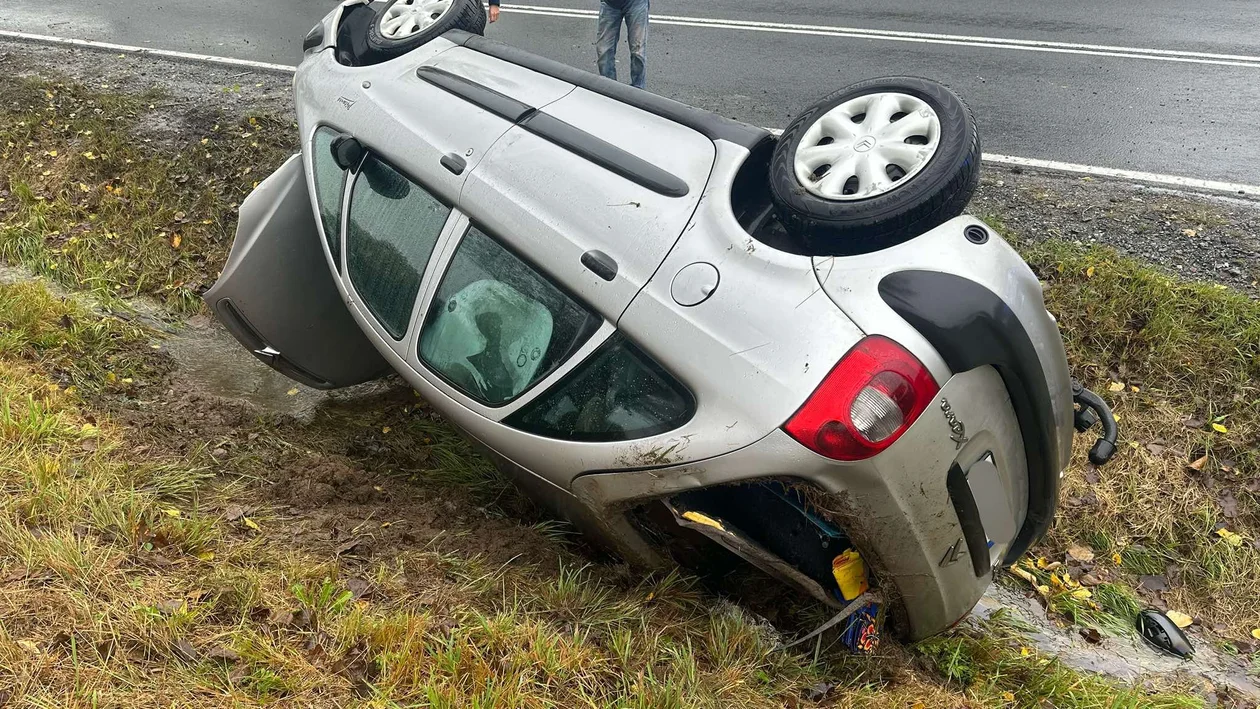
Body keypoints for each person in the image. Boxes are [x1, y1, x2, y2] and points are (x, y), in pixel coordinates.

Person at [596, 0, 649, 89]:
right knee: (604, 54)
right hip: (610, 4)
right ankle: (609, 91)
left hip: (637, 3)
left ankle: (638, 93)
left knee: (638, 52)